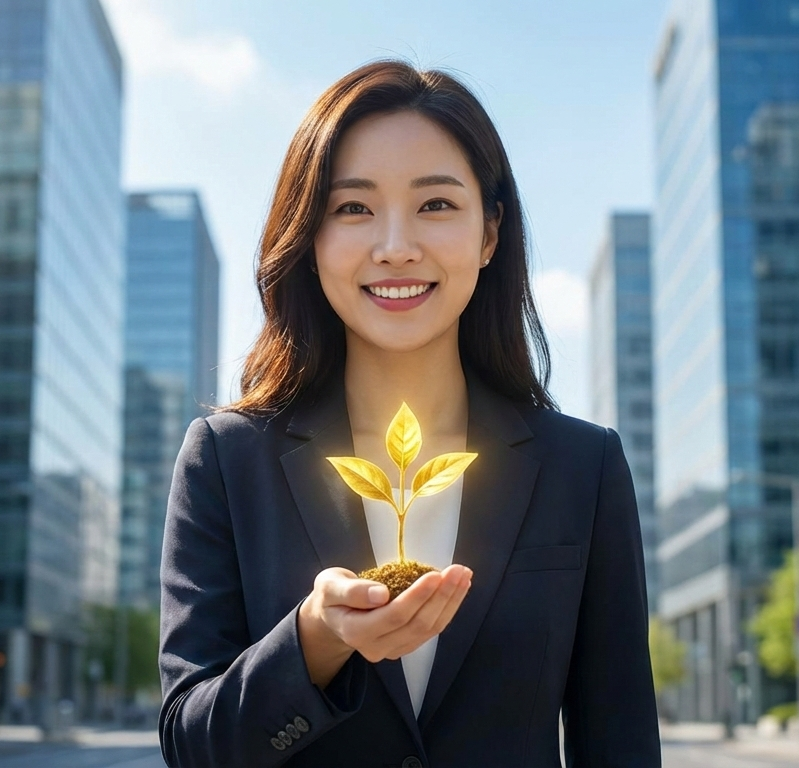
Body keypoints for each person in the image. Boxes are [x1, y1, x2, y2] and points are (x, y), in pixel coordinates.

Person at [156, 60, 660, 767]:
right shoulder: (227, 458)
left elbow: (622, 741)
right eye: (353, 208)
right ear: (311, 238)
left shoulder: (583, 466)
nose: (395, 247)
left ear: (489, 234)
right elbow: (191, 746)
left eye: (436, 205)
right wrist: (315, 639)